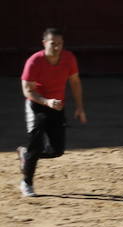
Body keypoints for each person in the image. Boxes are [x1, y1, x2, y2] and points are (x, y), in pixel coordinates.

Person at [18, 27, 86, 199]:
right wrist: (46, 101)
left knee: (57, 150)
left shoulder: (68, 58)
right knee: (36, 143)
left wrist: (79, 107)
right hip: (37, 105)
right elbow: (27, 91)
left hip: (57, 106)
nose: (56, 48)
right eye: (53, 44)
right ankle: (27, 182)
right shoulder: (34, 61)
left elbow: (75, 82)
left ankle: (26, 155)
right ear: (44, 43)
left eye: (60, 44)